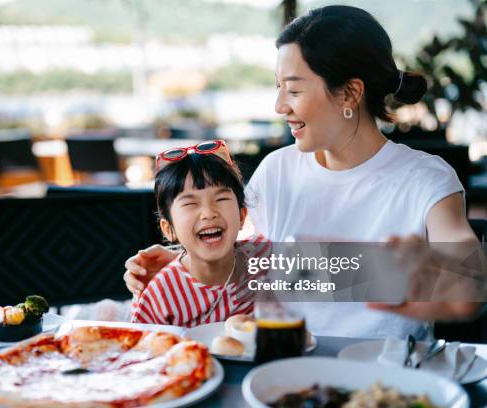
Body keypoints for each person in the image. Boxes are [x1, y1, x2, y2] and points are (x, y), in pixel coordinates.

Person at [125, 5, 482, 338]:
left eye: (294, 90)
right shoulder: (277, 170)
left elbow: (468, 276)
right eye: (278, 87)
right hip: (282, 373)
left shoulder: (425, 179)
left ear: (349, 93)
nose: (280, 106)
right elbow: (256, 265)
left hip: (383, 385)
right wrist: (191, 263)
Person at [130, 140, 270, 327]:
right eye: (190, 204)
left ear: (242, 215)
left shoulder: (263, 256)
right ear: (168, 229)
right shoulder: (161, 293)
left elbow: (320, 275)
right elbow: (140, 348)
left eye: (221, 198)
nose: (209, 213)